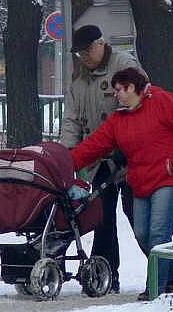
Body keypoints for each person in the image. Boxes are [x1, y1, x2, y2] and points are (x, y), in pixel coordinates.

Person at [70, 67, 173, 300]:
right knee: (142, 233)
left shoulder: (162, 101)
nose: (116, 95)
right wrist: (66, 163)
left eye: (120, 90)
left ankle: (156, 289)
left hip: (171, 176)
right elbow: (95, 145)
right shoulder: (119, 119)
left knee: (158, 232)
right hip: (142, 180)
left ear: (132, 87)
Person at [60, 25, 145, 294]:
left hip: (129, 158)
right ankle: (105, 274)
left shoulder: (124, 64)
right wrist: (65, 156)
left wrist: (128, 144)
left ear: (100, 44)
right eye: (79, 53)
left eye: (87, 51)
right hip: (99, 159)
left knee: (137, 218)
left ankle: (168, 268)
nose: (83, 57)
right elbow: (72, 120)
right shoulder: (79, 79)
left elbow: (141, 102)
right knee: (101, 218)